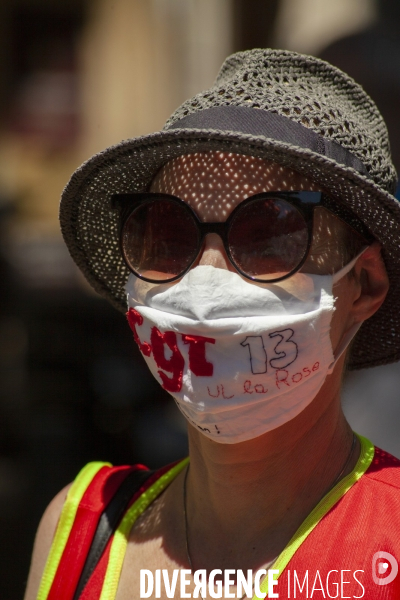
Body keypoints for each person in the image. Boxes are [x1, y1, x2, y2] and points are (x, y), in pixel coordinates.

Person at [24, 49, 400, 600]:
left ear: (363, 285)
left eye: (270, 232)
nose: (204, 279)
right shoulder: (78, 532)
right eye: (168, 232)